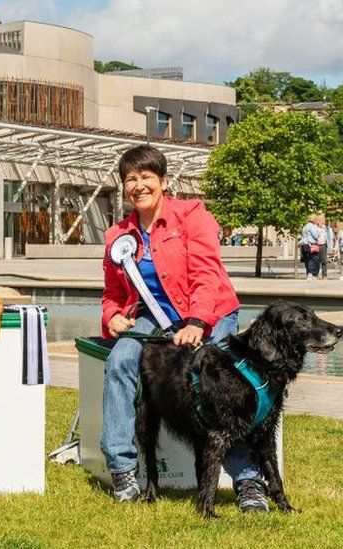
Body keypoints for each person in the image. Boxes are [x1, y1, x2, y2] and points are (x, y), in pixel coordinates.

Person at [100, 145, 269, 512]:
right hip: (153, 318)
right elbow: (112, 293)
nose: (139, 185)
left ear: (163, 181)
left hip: (208, 312)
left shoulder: (193, 215)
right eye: (131, 178)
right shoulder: (118, 235)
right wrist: (112, 315)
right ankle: (123, 471)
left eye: (146, 177)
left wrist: (197, 320)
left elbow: (208, 275)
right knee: (119, 363)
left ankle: (248, 482)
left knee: (222, 389)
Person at [300, 213, 321, 281]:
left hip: (304, 244)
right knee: (315, 259)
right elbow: (315, 235)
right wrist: (319, 231)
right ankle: (311, 274)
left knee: (307, 259)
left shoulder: (305, 226)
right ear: (314, 219)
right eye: (316, 219)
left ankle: (309, 274)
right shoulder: (312, 226)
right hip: (310, 245)